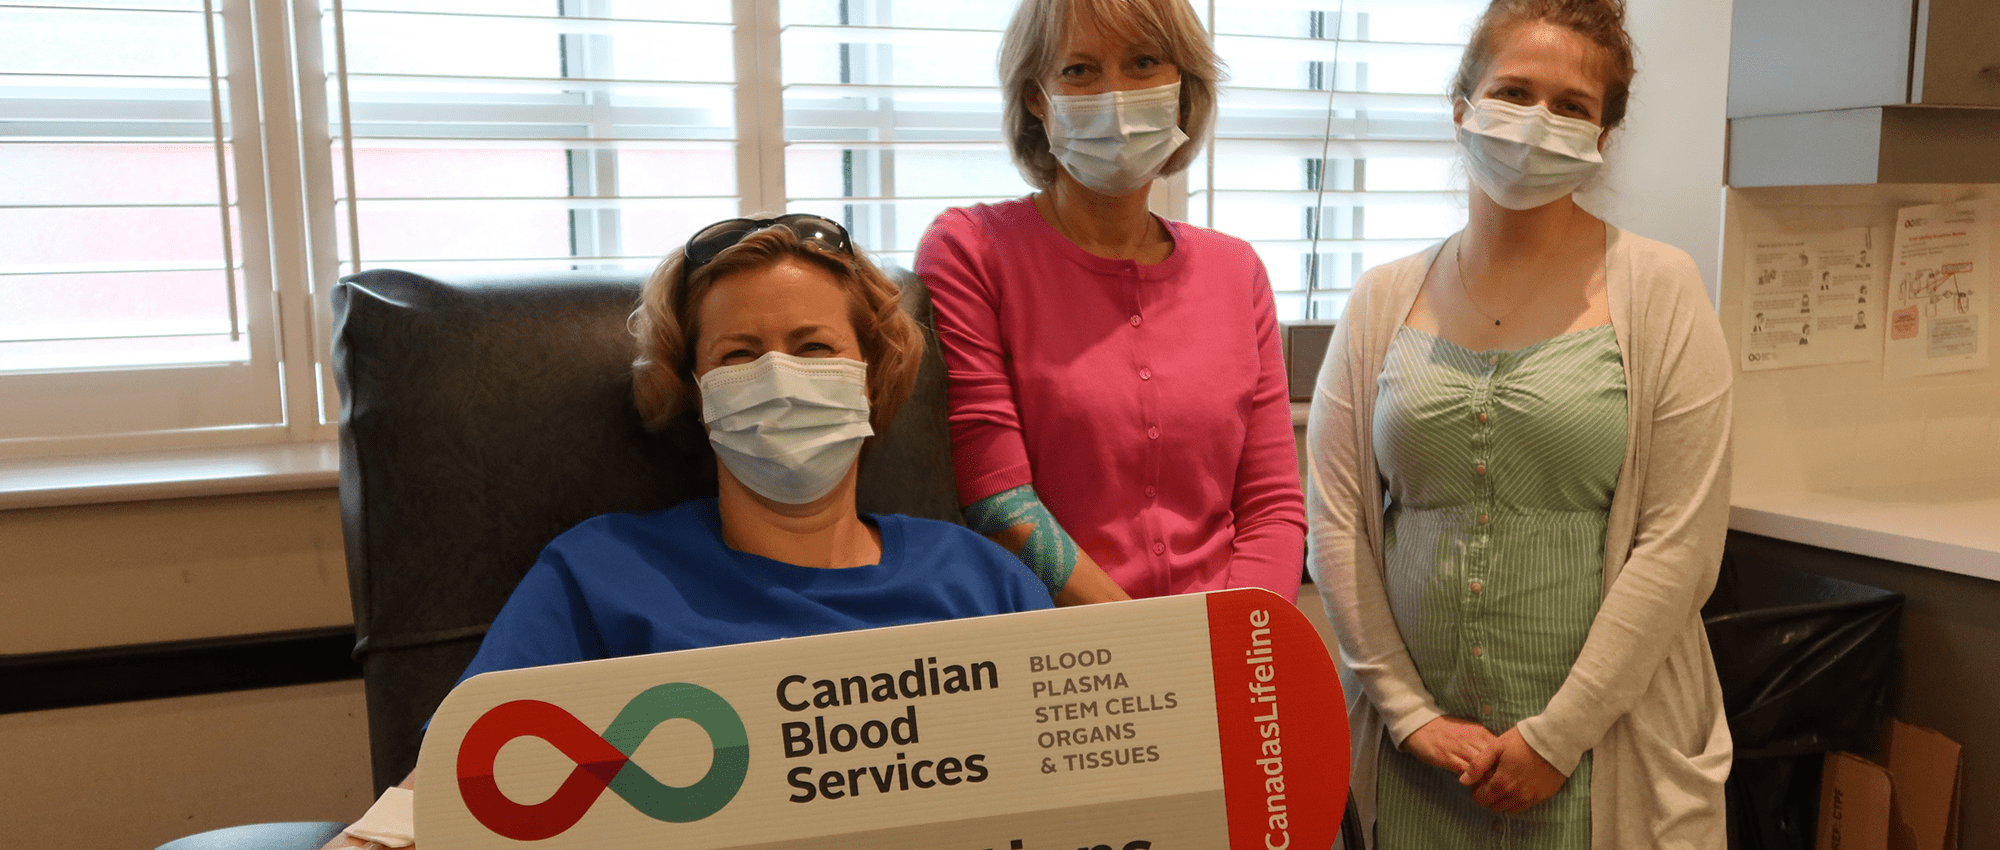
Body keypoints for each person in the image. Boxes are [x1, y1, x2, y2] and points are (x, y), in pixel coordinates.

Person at [318, 216, 1052, 849]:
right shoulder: (600, 575)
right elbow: (462, 780)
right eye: (738, 355)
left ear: (873, 374)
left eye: (815, 348)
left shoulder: (985, 581)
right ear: (693, 391)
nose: (780, 376)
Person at [1305, 1, 1732, 847]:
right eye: (1513, 91)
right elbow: (1337, 519)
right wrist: (1405, 712)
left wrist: (1557, 736)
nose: (1537, 123)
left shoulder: (1661, 290)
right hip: (1418, 764)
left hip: (1604, 759)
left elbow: (1679, 543)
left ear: (1603, 137)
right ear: (1462, 107)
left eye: (1571, 106)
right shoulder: (1381, 299)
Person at [917, 0, 1305, 606]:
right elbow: (997, 497)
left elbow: (1272, 506)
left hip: (1233, 646)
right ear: (1036, 98)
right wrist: (1150, 649)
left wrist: (1240, 642)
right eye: (1079, 70)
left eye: (1144, 62)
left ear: (1183, 89)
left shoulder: (1237, 272)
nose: (1115, 95)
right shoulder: (971, 250)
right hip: (1062, 653)